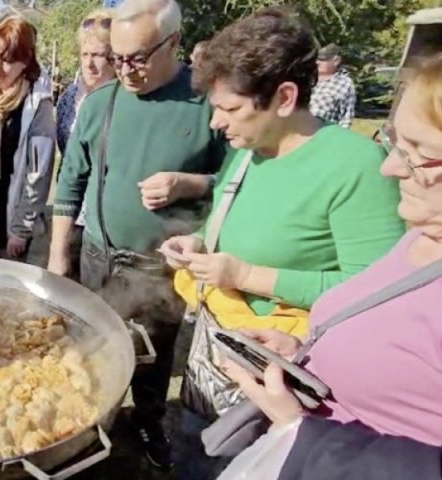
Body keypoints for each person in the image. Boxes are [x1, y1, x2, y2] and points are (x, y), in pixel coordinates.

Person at [162, 8, 406, 478]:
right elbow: (226, 225)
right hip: (214, 361)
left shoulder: (356, 167)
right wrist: (195, 243)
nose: (216, 123)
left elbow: (374, 298)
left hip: (281, 386)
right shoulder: (248, 150)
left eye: (230, 109)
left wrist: (247, 276)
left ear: (284, 97)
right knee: (195, 459)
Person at [217, 52, 442, 479]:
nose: (391, 166)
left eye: (419, 153)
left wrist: (302, 432)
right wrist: (305, 348)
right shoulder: (424, 234)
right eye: (395, 141)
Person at [48, 0, 226, 468]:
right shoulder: (100, 102)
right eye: (117, 57)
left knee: (152, 354)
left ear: (174, 44)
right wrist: (57, 256)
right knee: (88, 348)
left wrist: (190, 184)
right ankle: (86, 423)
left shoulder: (210, 101)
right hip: (97, 255)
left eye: (137, 58)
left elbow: (239, 182)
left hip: (162, 265)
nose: (124, 70)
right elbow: (71, 180)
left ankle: (148, 420)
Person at [0, 16, 56, 260]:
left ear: (25, 63)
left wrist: (21, 230)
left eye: (8, 61)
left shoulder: (37, 106)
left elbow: (38, 175)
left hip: (5, 225)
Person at [55, 9, 117, 277]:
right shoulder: (69, 98)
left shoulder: (126, 101)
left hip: (106, 225)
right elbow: (65, 153)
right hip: (71, 216)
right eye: (85, 55)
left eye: (99, 56)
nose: (90, 64)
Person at [309, 43, 356, 128]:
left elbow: (346, 118)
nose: (317, 62)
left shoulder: (344, 83)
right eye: (317, 59)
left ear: (336, 61)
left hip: (323, 134)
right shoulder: (307, 78)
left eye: (323, 60)